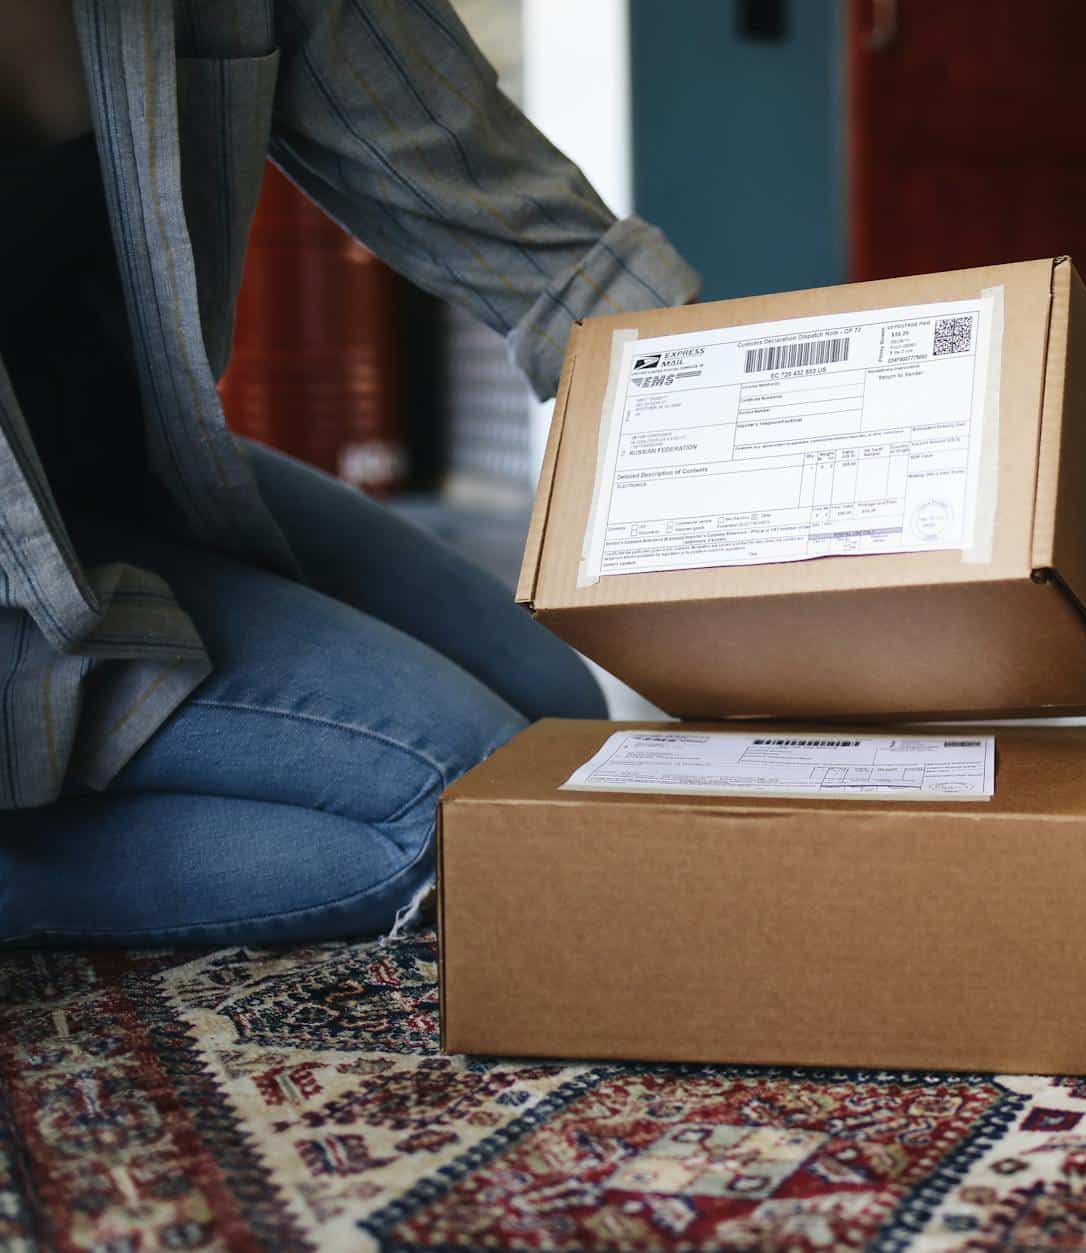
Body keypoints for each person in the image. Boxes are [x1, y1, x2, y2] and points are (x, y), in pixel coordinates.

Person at [0, 0, 697, 945]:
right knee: (466, 824)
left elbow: (493, 196)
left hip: (123, 473)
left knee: (558, 719)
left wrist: (720, 412)